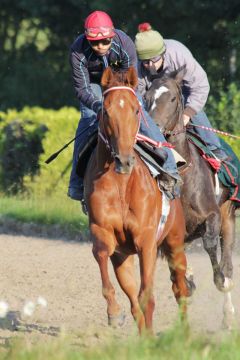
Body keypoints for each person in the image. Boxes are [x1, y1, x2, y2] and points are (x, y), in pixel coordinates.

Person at [68, 11, 181, 211]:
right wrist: (98, 106)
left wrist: (124, 102)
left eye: (105, 41)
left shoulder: (125, 42)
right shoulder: (77, 51)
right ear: (87, 39)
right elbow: (82, 89)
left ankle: (170, 169)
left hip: (120, 84)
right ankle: (77, 183)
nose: (100, 47)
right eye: (95, 43)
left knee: (142, 117)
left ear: (112, 36)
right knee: (87, 118)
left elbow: (132, 79)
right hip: (94, 86)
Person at [135, 23, 228, 160]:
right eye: (145, 62)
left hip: (182, 91)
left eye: (154, 60)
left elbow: (200, 86)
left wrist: (187, 114)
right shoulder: (137, 66)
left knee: (190, 107)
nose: (150, 65)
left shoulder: (179, 54)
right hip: (154, 95)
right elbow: (139, 96)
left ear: (163, 53)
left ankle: (214, 148)